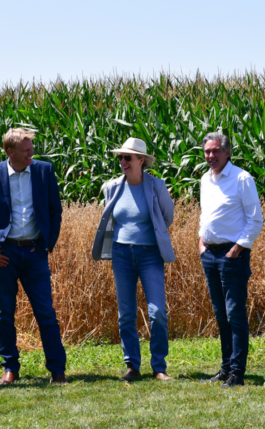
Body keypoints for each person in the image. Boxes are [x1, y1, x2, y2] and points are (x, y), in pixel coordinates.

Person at [0, 127, 68, 385]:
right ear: (10, 151)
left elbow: (54, 211)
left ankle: (57, 370)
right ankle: (10, 368)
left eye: (32, 149)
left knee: (45, 312)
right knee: (4, 313)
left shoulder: (44, 171)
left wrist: (47, 244)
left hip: (35, 252)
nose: (32, 154)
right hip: (4, 254)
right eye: (27, 150)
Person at [91, 137, 175, 382]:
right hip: (121, 254)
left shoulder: (157, 186)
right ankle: (132, 366)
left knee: (157, 312)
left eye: (128, 157)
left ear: (141, 160)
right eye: (120, 157)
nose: (123, 161)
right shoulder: (112, 187)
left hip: (150, 255)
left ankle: (159, 366)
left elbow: (167, 218)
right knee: (126, 313)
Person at [197, 132, 263, 388]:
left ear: (227, 153)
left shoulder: (241, 179)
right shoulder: (205, 179)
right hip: (210, 254)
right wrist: (201, 240)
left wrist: (237, 248)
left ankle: (237, 372)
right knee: (220, 313)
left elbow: (255, 219)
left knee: (235, 313)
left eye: (215, 151)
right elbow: (206, 214)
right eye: (207, 151)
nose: (210, 156)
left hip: (231, 256)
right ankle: (225, 368)